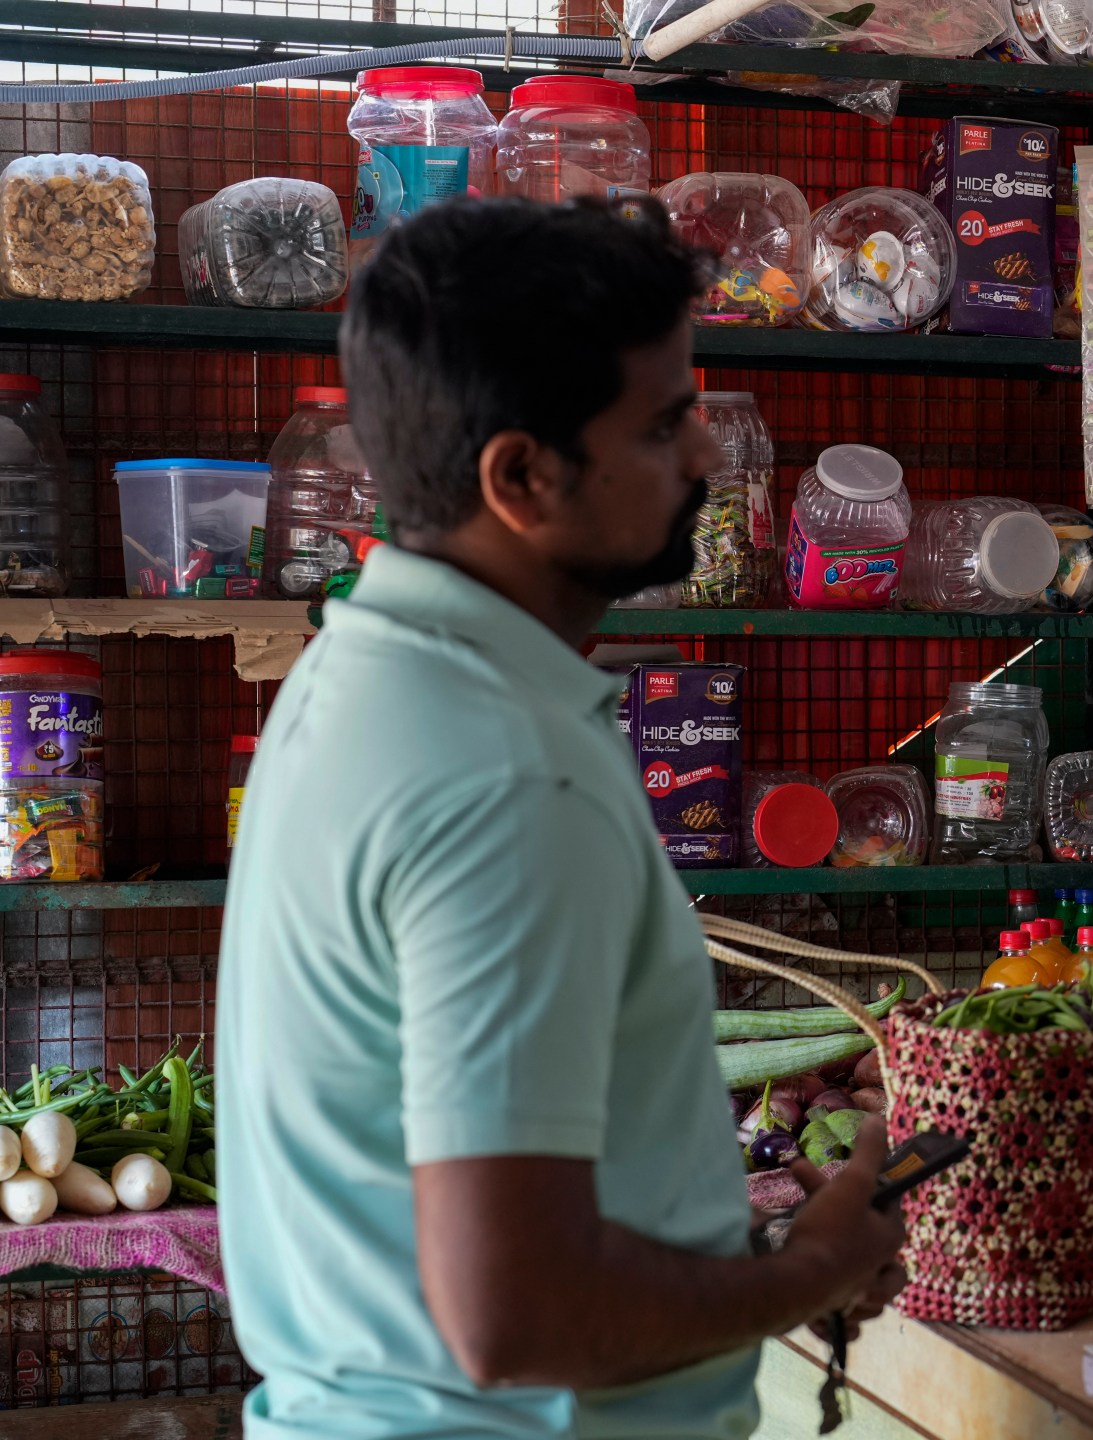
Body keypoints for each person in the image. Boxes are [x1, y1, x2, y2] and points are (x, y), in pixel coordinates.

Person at [216, 199, 908, 1438]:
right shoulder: (501, 778)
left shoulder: (367, 676)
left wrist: (730, 1235)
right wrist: (804, 1274)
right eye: (661, 424)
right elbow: (514, 1318)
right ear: (522, 477)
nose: (704, 457)